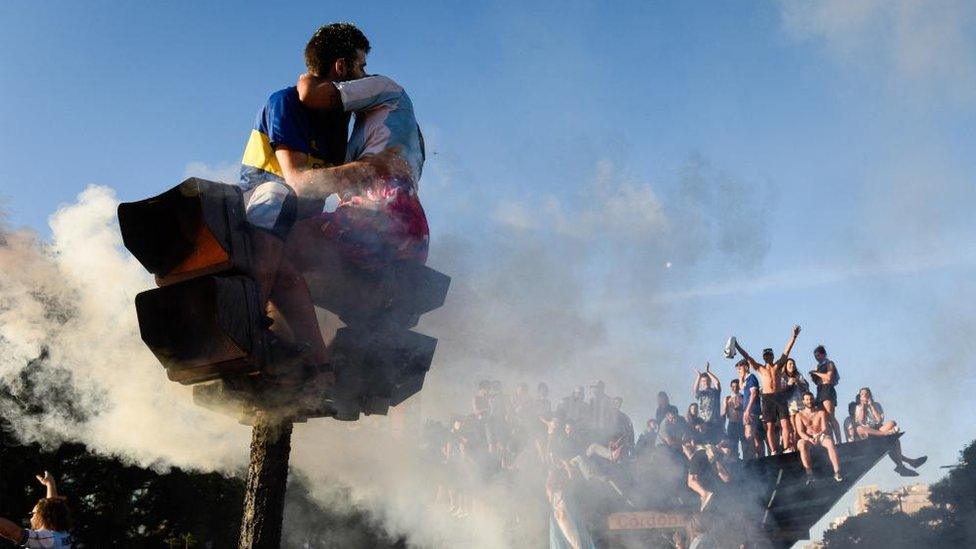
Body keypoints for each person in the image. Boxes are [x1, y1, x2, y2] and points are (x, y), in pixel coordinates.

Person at [236, 23, 406, 372]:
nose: (365, 74)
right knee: (278, 196)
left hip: (296, 231)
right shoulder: (284, 102)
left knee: (299, 277)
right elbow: (298, 184)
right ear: (342, 67)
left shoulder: (339, 123)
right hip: (261, 218)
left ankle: (321, 369)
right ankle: (246, 316)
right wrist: (371, 168)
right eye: (361, 66)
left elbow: (336, 190)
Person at [734, 325, 801, 455]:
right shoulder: (760, 368)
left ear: (772, 356)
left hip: (779, 396)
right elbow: (747, 357)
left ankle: (787, 448)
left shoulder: (777, 365)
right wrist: (736, 346)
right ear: (764, 357)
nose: (768, 357)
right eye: (766, 355)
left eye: (770, 355)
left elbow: (787, 351)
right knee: (769, 425)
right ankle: (774, 450)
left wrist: (794, 336)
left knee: (785, 423)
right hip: (767, 397)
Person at [854, 387, 927, 476]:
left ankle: (905, 465)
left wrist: (871, 406)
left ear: (870, 395)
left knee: (893, 427)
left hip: (878, 429)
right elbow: (861, 422)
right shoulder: (858, 408)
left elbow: (879, 420)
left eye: (866, 394)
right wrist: (864, 407)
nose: (865, 396)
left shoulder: (876, 405)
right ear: (860, 397)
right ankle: (910, 462)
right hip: (868, 433)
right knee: (859, 429)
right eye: (862, 394)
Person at [0, 472, 74, 548]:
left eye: (33, 514)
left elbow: (12, 532)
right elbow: (52, 508)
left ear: (43, 517)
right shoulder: (62, 533)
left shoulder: (47, 539)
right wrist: (50, 484)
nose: (31, 518)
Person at [795, 392, 843, 484]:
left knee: (830, 442)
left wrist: (818, 435)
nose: (809, 401)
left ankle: (837, 471)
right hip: (808, 438)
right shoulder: (799, 415)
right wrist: (809, 439)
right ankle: (810, 475)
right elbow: (800, 431)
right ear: (803, 401)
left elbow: (824, 427)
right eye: (807, 399)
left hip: (821, 436)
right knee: (801, 444)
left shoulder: (820, 412)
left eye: (811, 399)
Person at [809, 345, 843, 444]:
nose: (817, 357)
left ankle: (839, 440)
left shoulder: (830, 363)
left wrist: (816, 373)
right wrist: (813, 376)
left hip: (828, 389)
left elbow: (829, 377)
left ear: (823, 354)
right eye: (815, 356)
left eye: (818, 355)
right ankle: (830, 440)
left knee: (830, 416)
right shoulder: (818, 366)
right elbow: (817, 381)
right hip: (819, 390)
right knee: (824, 417)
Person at [736, 359, 762, 458]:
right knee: (754, 435)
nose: (739, 371)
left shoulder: (751, 377)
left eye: (740, 368)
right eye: (738, 370)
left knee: (749, 434)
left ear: (746, 367)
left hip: (751, 410)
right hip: (749, 410)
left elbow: (754, 393)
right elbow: (741, 386)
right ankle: (758, 456)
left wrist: (748, 410)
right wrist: (740, 377)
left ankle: (753, 457)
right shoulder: (746, 379)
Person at [783, 358, 810, 451]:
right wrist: (789, 384)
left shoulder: (799, 375)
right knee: (794, 428)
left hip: (801, 405)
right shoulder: (783, 377)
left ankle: (803, 447)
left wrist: (797, 381)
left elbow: (806, 387)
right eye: (790, 364)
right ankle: (795, 448)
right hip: (791, 406)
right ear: (786, 366)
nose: (792, 366)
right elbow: (781, 392)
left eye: (793, 364)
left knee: (803, 427)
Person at [692, 362, 722, 442]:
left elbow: (717, 383)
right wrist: (698, 377)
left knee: (715, 445)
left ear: (710, 381)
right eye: (703, 381)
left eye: (707, 380)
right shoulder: (700, 394)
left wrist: (708, 372)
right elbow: (695, 390)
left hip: (714, 423)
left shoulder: (715, 392)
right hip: (703, 424)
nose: (705, 383)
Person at [722, 378, 745, 459]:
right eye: (733, 386)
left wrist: (740, 407)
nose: (735, 388)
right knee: (732, 443)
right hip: (732, 423)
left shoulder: (743, 397)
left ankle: (746, 459)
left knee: (744, 443)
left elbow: (747, 408)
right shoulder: (727, 398)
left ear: (739, 387)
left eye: (736, 386)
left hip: (742, 423)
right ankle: (735, 459)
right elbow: (724, 412)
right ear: (731, 387)